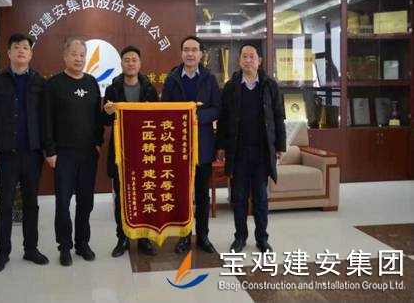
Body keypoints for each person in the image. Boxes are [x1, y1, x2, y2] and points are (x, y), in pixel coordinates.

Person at [0, 33, 49, 273]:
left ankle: (31, 249)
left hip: (32, 153)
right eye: (16, 47)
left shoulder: (39, 82)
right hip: (6, 153)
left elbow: (45, 118)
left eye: (25, 48)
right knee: (5, 205)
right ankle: (3, 253)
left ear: (31, 53)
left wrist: (47, 149)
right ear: (9, 52)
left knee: (31, 204)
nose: (21, 51)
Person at [216, 43, 286, 254]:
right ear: (239, 61)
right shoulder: (231, 87)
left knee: (261, 198)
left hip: (262, 152)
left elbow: (278, 118)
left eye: (251, 56)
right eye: (244, 57)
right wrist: (221, 146)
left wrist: (280, 146)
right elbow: (223, 119)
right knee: (239, 197)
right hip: (238, 151)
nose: (248, 60)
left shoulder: (270, 86)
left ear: (259, 61)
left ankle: (262, 238)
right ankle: (240, 237)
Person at [44, 38, 104, 266]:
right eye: (74, 54)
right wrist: (50, 150)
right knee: (62, 203)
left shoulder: (91, 82)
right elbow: (46, 120)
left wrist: (98, 142)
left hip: (88, 153)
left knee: (86, 202)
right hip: (63, 154)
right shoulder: (54, 84)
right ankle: (65, 246)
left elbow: (97, 117)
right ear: (65, 56)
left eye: (82, 55)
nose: (78, 59)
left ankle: (82, 243)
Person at [161, 35, 220, 254]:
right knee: (183, 195)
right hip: (178, 147)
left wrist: (197, 117)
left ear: (201, 54)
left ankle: (203, 236)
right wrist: (181, 117)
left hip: (203, 146)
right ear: (181, 53)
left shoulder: (209, 79)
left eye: (194, 50)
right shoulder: (172, 79)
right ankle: (184, 236)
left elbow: (217, 109)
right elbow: (164, 109)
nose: (190, 54)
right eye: (186, 49)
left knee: (202, 194)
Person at [102, 45, 159, 258]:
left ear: (140, 63)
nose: (131, 63)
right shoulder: (113, 89)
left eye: (134, 59)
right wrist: (108, 112)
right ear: (121, 64)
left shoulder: (150, 89)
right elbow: (105, 120)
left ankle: (144, 238)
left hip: (144, 150)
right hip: (121, 151)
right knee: (121, 198)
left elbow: (157, 119)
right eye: (127, 60)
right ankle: (122, 238)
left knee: (145, 195)